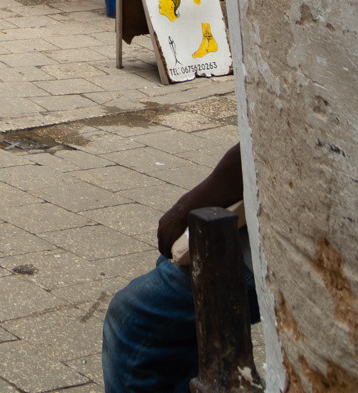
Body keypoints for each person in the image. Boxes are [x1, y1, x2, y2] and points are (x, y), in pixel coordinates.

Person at [101, 143, 260, 393]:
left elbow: (262, 147)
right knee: (170, 264)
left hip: (271, 250)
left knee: (132, 319)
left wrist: (184, 209)